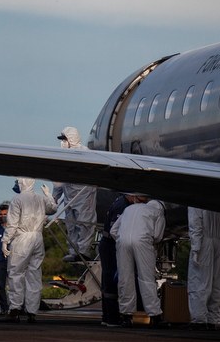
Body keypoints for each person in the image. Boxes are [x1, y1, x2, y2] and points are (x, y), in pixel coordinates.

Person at [0, 178, 57, 324]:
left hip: (22, 238)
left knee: (16, 273)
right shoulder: (40, 198)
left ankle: (15, 310)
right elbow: (52, 209)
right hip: (38, 237)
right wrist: (48, 195)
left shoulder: (17, 199)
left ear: (22, 182)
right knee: (34, 275)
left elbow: (12, 224)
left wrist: (5, 240)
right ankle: (32, 312)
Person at [110, 193, 168, 328]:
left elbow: (114, 230)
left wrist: (121, 240)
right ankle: (154, 315)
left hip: (122, 241)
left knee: (125, 278)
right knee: (146, 278)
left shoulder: (128, 209)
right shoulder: (157, 212)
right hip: (142, 242)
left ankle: (126, 315)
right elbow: (158, 236)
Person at [53, 127, 99, 262]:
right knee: (70, 225)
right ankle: (73, 251)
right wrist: (55, 196)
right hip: (69, 196)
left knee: (84, 223)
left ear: (71, 139)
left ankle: (83, 251)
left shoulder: (86, 154)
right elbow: (59, 179)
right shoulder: (64, 156)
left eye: (64, 140)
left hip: (84, 195)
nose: (62, 143)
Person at [99, 192, 135, 327]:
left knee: (108, 279)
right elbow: (116, 231)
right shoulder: (123, 206)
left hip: (108, 243)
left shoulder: (120, 201)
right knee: (112, 280)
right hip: (111, 245)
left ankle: (107, 316)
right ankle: (112, 317)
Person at [187, 207, 220, 330]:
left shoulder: (196, 200)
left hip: (204, 242)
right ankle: (212, 319)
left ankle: (199, 319)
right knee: (215, 283)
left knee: (199, 281)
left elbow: (195, 223)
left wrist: (196, 247)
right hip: (217, 240)